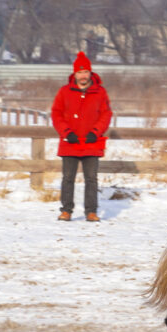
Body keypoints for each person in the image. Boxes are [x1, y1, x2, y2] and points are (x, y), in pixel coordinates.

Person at [51, 52, 113, 221]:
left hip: (92, 142)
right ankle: (66, 210)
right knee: (68, 178)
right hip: (70, 141)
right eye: (80, 72)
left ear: (90, 73)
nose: (83, 76)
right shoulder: (64, 92)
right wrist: (66, 132)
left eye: (85, 72)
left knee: (91, 178)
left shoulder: (100, 92)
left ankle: (91, 211)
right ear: (75, 74)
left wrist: (96, 132)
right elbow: (56, 114)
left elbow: (106, 114)